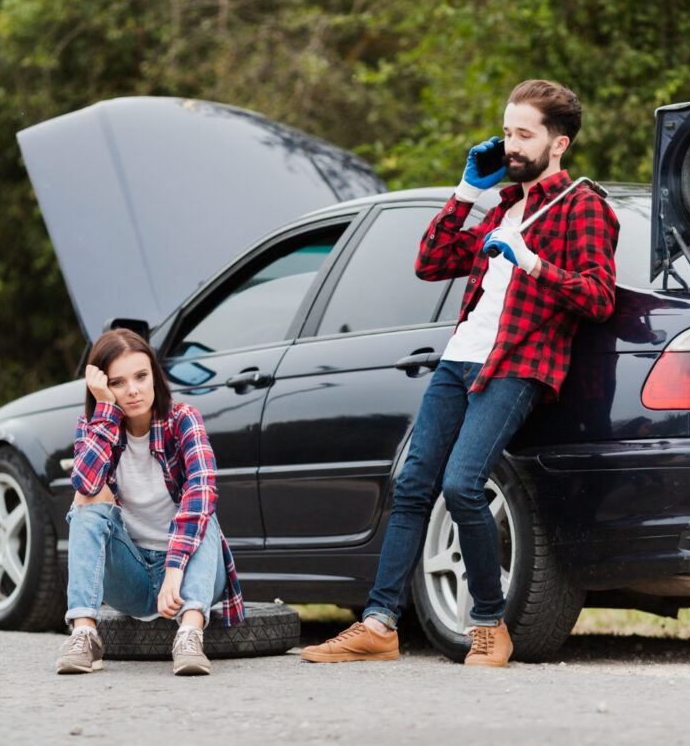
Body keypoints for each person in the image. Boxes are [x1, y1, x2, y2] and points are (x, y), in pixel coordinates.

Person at [301, 79, 619, 667]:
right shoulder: (500, 205)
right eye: (506, 132)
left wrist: (533, 263)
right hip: (459, 358)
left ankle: (490, 624)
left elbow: (598, 296)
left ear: (560, 143)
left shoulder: (584, 206)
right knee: (413, 483)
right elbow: (430, 262)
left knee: (462, 483)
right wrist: (469, 190)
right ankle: (378, 624)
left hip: (518, 362)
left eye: (524, 134)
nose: (511, 145)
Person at [56, 328, 243, 675]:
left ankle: (189, 634)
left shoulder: (183, 419)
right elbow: (84, 483)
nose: (133, 390)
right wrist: (107, 414)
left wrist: (175, 567)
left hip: (188, 575)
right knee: (90, 495)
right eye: (118, 382)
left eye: (141, 376)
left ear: (154, 376)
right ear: (104, 388)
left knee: (203, 507)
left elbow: (203, 488)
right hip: (133, 578)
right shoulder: (94, 426)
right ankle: (84, 634)